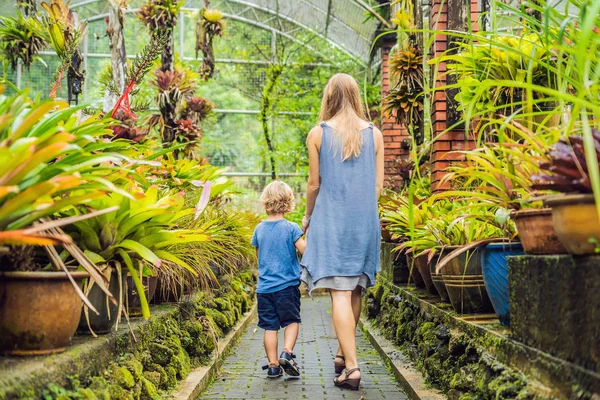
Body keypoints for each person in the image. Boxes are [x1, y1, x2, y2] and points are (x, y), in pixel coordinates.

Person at [300, 73, 384, 390]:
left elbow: (313, 184)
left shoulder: (318, 134)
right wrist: (362, 212)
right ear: (356, 95)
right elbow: (377, 186)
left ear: (329, 97)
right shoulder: (374, 134)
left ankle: (351, 367)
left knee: (340, 292)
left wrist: (308, 217)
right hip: (365, 221)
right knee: (356, 290)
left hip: (332, 220)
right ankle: (340, 354)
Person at [252, 180, 306, 379]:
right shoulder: (291, 228)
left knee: (269, 326)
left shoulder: (259, 229)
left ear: (266, 202)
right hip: (287, 287)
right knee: (291, 321)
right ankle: (287, 352)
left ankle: (273, 365)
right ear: (288, 202)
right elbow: (304, 250)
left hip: (264, 289)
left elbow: (259, 256)